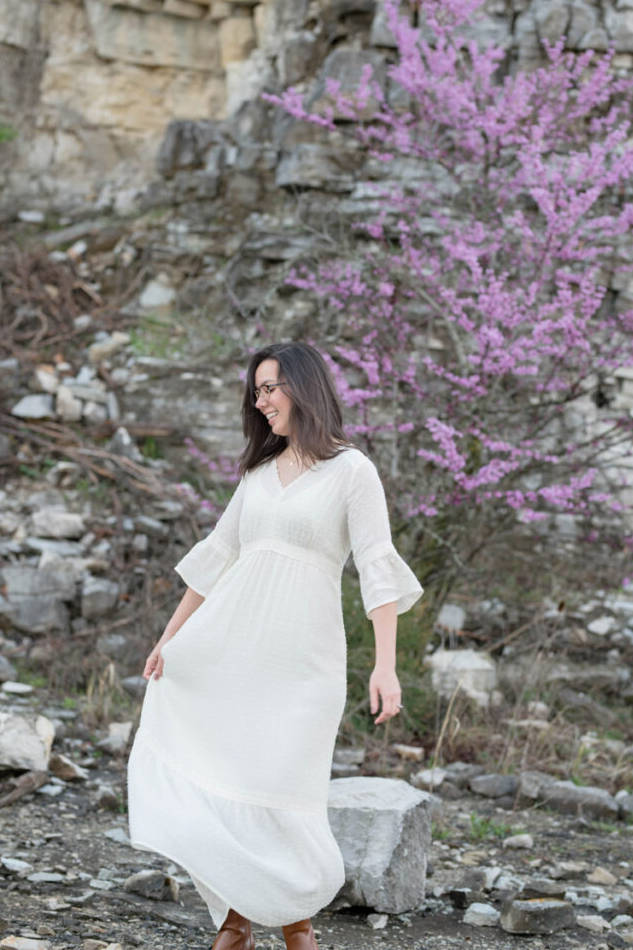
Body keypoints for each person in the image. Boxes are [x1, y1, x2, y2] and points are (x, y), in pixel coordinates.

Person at [127, 340, 423, 950]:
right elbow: (215, 560)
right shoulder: (257, 476)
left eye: (270, 388)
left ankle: (292, 924)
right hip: (237, 656)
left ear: (304, 387)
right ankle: (240, 924)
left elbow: (377, 568)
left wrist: (385, 667)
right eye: (255, 391)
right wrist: (168, 639)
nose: (260, 401)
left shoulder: (351, 471)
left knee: (288, 792)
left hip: (305, 663)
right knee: (235, 781)